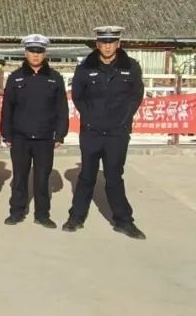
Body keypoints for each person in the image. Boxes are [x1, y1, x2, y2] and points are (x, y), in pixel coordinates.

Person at [65, 26, 146, 239]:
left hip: (117, 133)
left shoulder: (131, 67)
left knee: (114, 177)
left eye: (111, 42)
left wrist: (122, 120)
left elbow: (136, 96)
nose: (107, 46)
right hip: (91, 132)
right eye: (103, 42)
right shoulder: (85, 68)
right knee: (86, 176)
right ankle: (76, 217)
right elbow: (78, 96)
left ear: (118, 44)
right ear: (97, 44)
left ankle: (124, 221)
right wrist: (91, 118)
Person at [0, 34, 68, 228]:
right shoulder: (16, 77)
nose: (36, 55)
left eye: (39, 51)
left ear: (45, 53)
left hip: (45, 138)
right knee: (19, 177)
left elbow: (61, 108)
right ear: (25, 53)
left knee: (42, 178)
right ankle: (16, 212)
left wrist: (60, 134)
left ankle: (42, 215)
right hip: (20, 138)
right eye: (32, 51)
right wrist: (7, 133)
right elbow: (7, 108)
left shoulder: (54, 78)